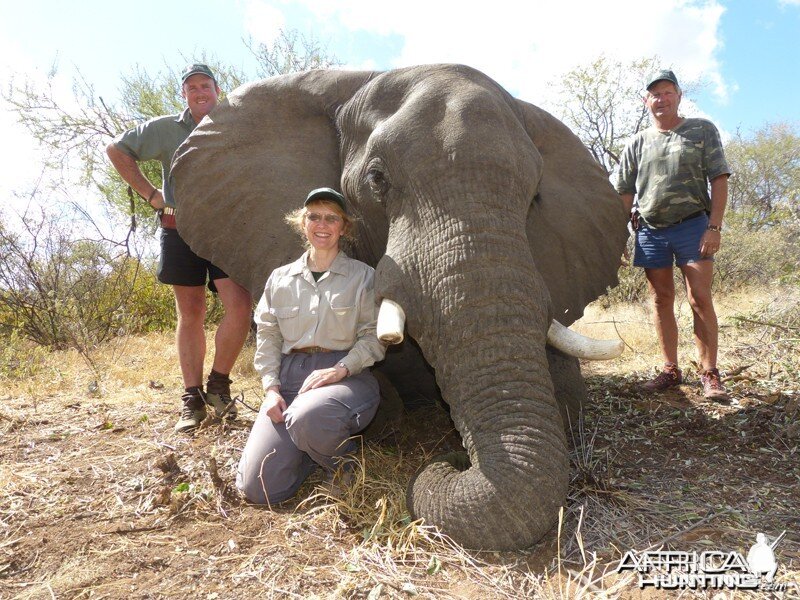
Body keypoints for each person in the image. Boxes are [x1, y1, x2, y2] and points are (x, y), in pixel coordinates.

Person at [106, 63, 252, 431]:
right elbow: (117, 149)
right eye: (192, 87)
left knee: (239, 306)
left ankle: (219, 385)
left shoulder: (236, 121)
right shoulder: (167, 129)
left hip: (227, 229)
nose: (200, 92)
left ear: (218, 90)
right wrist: (152, 195)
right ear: (184, 95)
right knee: (191, 313)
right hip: (179, 227)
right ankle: (192, 399)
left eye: (206, 85)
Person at [236, 187, 385, 504]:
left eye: (332, 218)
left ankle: (344, 466)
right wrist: (271, 389)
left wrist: (341, 369)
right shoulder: (279, 278)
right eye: (314, 216)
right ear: (302, 223)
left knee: (308, 416)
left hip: (347, 376)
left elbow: (374, 337)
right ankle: (309, 451)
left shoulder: (364, 277)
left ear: (343, 228)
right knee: (258, 488)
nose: (322, 224)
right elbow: (269, 335)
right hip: (290, 380)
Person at [615, 69, 731, 401]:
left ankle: (709, 372)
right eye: (655, 94)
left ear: (679, 96)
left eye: (668, 92)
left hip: (694, 225)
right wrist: (618, 237)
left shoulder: (701, 130)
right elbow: (624, 192)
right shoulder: (637, 142)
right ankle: (670, 370)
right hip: (650, 229)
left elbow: (719, 178)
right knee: (661, 299)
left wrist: (714, 226)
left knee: (699, 297)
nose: (661, 99)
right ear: (646, 101)